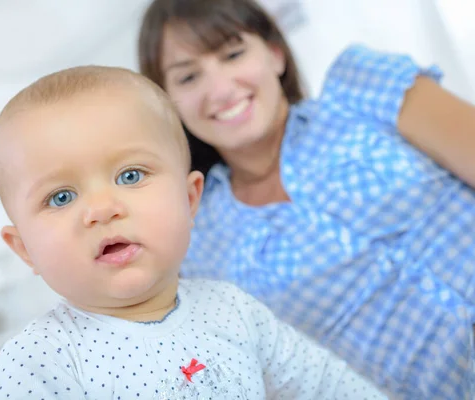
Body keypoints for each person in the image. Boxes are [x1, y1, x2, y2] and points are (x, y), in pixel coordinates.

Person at [138, 0, 475, 399]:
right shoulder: (195, 243)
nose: (221, 90)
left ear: (275, 53)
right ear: (167, 105)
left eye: (233, 54)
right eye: (189, 77)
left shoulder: (361, 86)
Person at [0, 65, 386, 399]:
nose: (102, 210)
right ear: (25, 250)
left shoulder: (233, 310)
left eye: (130, 175)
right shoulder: (37, 361)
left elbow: (327, 385)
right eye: (60, 197)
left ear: (190, 199)